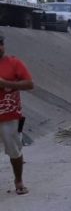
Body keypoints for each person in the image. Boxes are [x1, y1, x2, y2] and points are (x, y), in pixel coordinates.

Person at [0, 35, 34, 195]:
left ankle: (18, 180)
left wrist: (6, 84)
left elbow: (29, 84)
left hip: (10, 116)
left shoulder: (14, 63)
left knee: (14, 149)